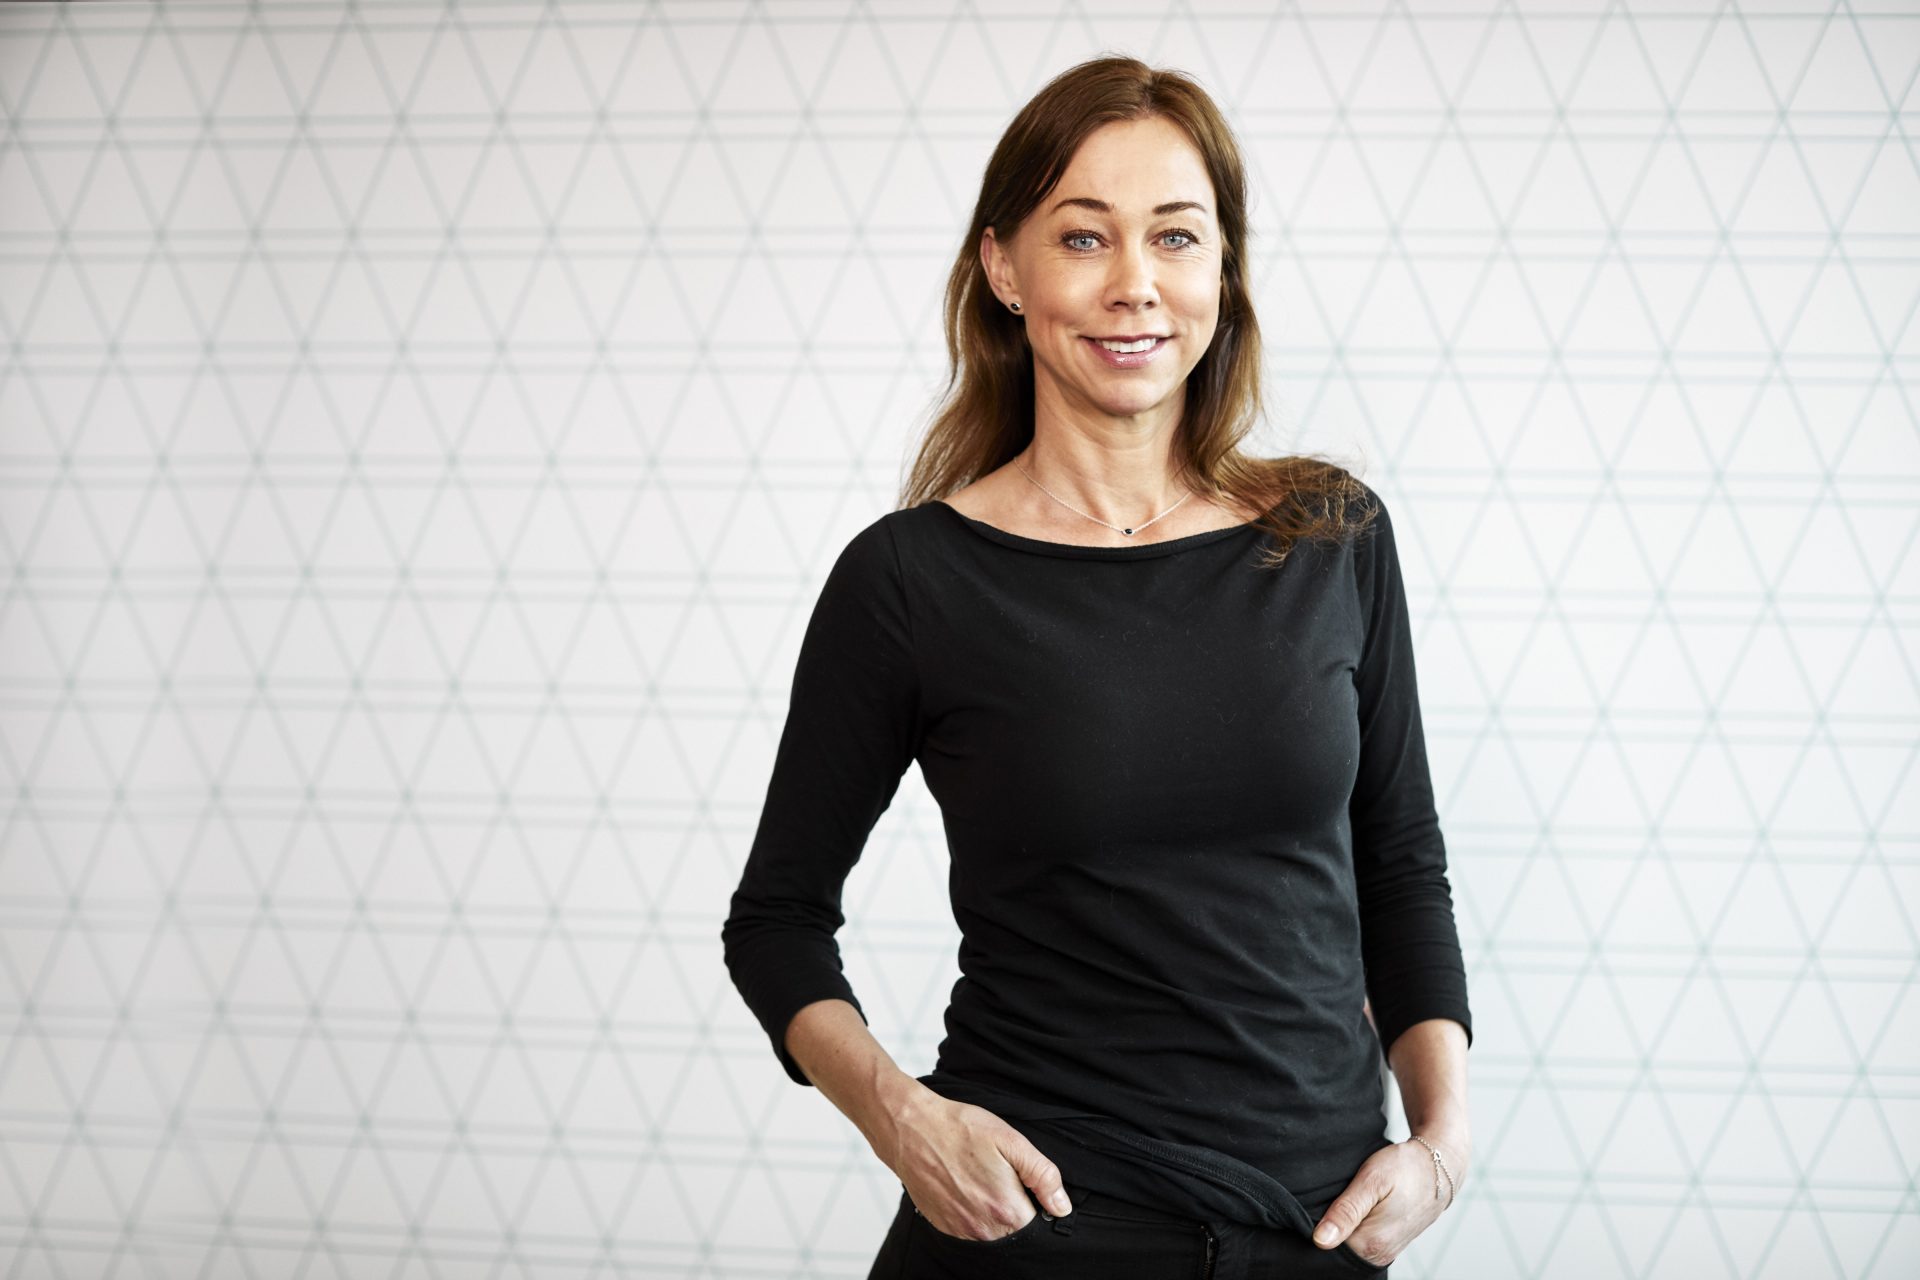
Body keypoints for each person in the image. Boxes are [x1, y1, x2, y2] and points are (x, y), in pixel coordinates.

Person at [721, 54, 1472, 1279]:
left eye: (1175, 236)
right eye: (1083, 237)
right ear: (1003, 267)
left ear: (1221, 269)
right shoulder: (912, 579)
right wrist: (905, 1121)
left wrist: (1440, 1142)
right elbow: (776, 921)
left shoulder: (1333, 539)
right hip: (1035, 1232)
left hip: (1317, 1230)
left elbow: (1400, 863)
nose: (1135, 284)